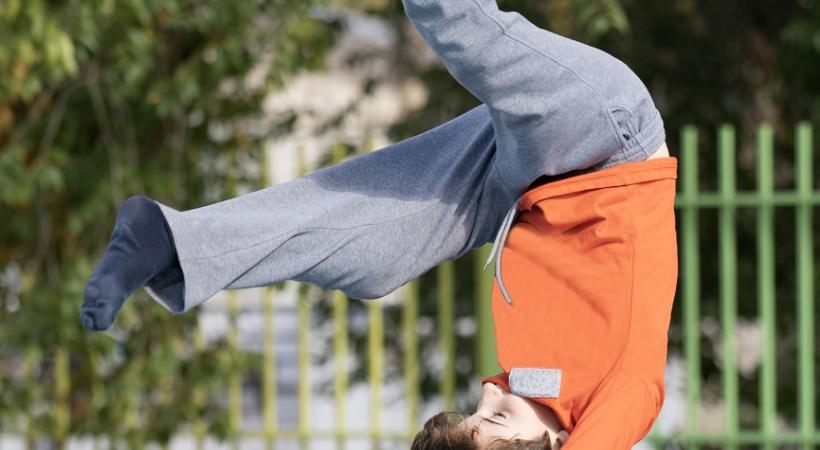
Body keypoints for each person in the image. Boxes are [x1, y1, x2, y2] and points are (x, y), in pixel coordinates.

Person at [81, 0, 676, 448]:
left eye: (477, 406)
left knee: (378, 257)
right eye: (496, 416)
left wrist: (489, 424)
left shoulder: (524, 384)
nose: (491, 392)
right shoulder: (622, 397)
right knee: (461, 26)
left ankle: (174, 243)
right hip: (607, 138)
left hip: (526, 185)